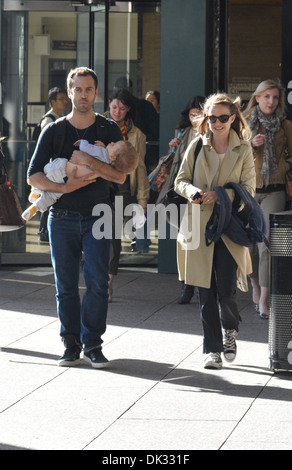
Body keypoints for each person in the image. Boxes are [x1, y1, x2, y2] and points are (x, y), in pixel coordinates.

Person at [27, 67, 125, 369]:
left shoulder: (109, 130)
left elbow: (121, 176)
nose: (83, 94)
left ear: (96, 93)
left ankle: (93, 344)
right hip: (63, 217)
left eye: (89, 89)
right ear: (69, 93)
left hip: (98, 215)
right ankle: (70, 344)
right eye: (78, 89)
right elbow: (33, 176)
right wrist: (63, 186)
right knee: (65, 285)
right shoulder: (54, 130)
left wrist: (90, 162)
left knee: (97, 283)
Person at [174, 93, 256, 370]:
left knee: (226, 291)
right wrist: (195, 192)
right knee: (204, 292)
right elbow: (180, 181)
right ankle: (212, 350)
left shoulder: (243, 149)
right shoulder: (197, 146)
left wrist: (221, 197)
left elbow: (249, 191)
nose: (217, 123)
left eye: (223, 117)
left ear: (233, 118)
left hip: (228, 227)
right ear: (206, 119)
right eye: (212, 118)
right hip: (199, 226)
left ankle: (230, 331)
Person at [244, 79, 292, 319]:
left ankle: (264, 298)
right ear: (257, 98)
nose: (271, 101)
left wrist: (284, 166)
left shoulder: (285, 126)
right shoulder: (243, 125)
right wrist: (251, 145)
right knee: (250, 244)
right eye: (266, 97)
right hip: (250, 191)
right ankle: (254, 285)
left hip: (275, 189)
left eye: (275, 97)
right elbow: (234, 157)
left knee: (265, 245)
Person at [104, 87, 150, 300]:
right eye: (114, 107)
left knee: (112, 234)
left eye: (122, 108)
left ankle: (108, 281)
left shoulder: (136, 134)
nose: (117, 112)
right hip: (97, 184)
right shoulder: (98, 126)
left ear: (128, 109)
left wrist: (142, 200)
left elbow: (140, 168)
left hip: (121, 186)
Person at [22, 139, 138, 221]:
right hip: (63, 179)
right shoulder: (107, 168)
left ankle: (35, 191)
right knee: (51, 196)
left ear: (113, 157)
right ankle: (36, 207)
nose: (111, 142)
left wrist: (83, 142)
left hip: (61, 167)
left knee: (44, 176)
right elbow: (106, 162)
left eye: (113, 145)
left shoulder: (101, 152)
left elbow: (87, 149)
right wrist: (104, 148)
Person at [169, 95, 205, 304]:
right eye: (193, 115)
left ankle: (199, 285)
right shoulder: (182, 133)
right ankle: (186, 284)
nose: (196, 118)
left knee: (199, 240)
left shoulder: (211, 133)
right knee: (184, 239)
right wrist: (173, 147)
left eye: (199, 114)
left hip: (202, 190)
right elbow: (175, 164)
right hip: (183, 190)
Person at [36, 87, 69, 241]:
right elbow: (46, 147)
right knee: (48, 197)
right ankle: (43, 230)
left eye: (65, 98)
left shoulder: (61, 119)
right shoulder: (49, 121)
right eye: (61, 99)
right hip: (49, 168)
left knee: (51, 197)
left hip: (56, 167)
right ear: (52, 102)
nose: (65, 101)